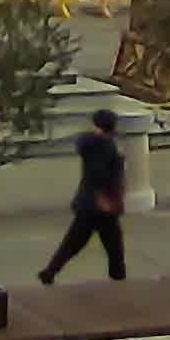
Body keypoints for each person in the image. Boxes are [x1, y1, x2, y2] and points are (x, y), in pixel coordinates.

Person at [36, 109, 129, 285]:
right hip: (101, 205)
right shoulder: (105, 146)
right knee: (113, 246)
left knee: (74, 243)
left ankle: (49, 272)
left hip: (88, 203)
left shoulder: (91, 143)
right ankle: (119, 279)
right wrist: (104, 196)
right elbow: (99, 173)